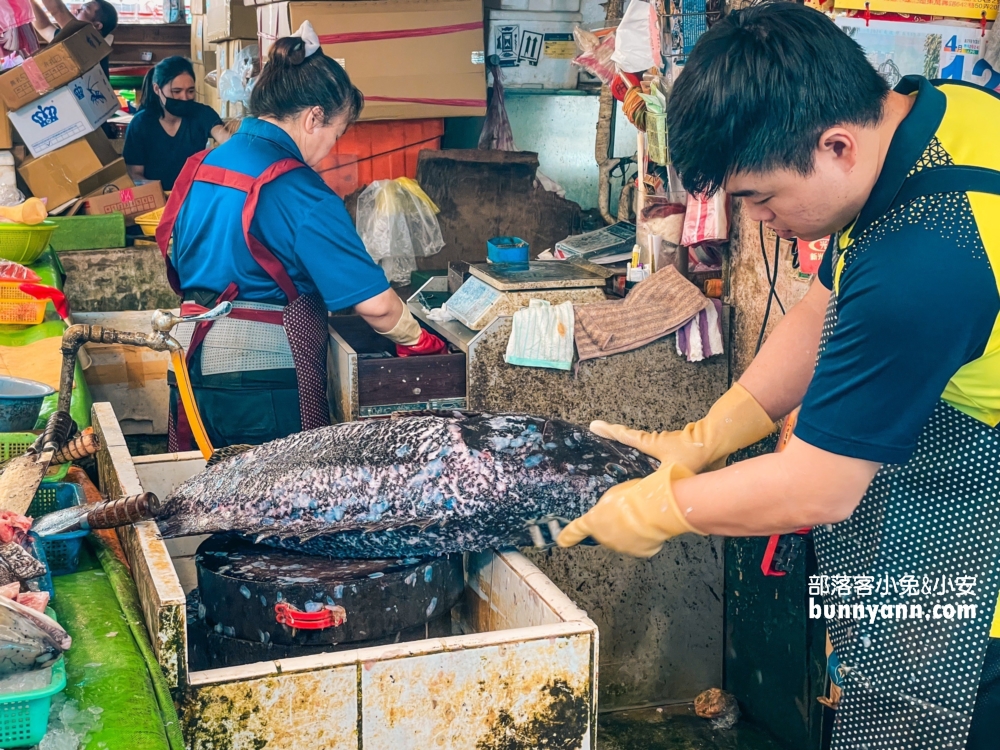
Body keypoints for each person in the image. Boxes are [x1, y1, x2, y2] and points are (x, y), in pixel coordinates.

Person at [557, 4, 1000, 748]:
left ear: (835, 145)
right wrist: (705, 436)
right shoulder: (935, 118)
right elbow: (828, 303)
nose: (759, 220)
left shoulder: (928, 262)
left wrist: (653, 510)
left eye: (759, 197)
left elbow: (815, 488)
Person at [156, 23, 446, 451]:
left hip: (191, 365)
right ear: (314, 117)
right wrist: (421, 342)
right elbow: (379, 308)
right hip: (259, 384)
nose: (331, 146)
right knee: (274, 509)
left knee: (209, 502)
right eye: (337, 132)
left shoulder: (206, 163)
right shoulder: (298, 190)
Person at [123, 57, 230, 191]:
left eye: (190, 91)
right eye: (176, 91)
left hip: (193, 197)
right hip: (158, 200)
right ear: (157, 89)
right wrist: (163, 193)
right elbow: (135, 174)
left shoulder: (202, 114)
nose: (184, 98)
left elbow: (225, 138)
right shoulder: (141, 124)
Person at [30, 0, 117, 78]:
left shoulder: (88, 46)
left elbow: (58, 11)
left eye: (84, 10)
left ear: (97, 26)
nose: (77, 11)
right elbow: (44, 27)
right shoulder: (73, 41)